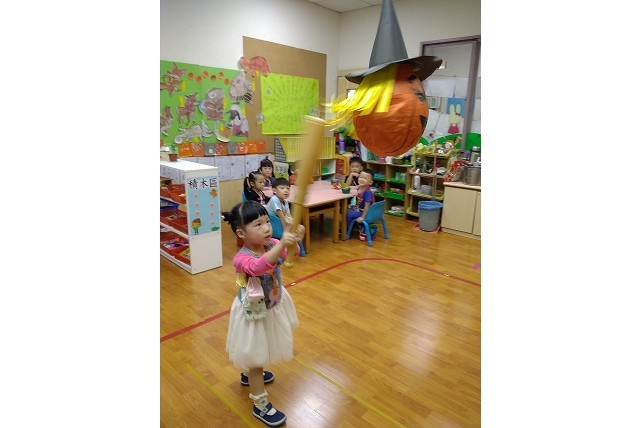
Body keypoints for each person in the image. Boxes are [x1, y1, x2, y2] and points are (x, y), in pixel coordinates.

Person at [221, 200, 305, 427]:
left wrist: (295, 240)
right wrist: (282, 243)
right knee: (257, 357)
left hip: (272, 304)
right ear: (242, 233)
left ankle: (248, 374)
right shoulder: (242, 258)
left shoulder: (272, 244)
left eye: (267, 221)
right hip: (253, 313)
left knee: (259, 348)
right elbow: (258, 267)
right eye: (258, 224)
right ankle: (260, 404)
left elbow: (291, 254)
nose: (267, 228)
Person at [346, 169, 375, 239]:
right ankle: (353, 226)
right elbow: (347, 186)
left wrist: (363, 217)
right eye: (361, 177)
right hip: (359, 209)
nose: (362, 179)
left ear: (370, 182)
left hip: (365, 213)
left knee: (349, 214)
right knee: (345, 210)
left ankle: (349, 230)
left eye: (365, 178)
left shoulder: (367, 192)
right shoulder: (359, 187)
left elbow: (367, 207)